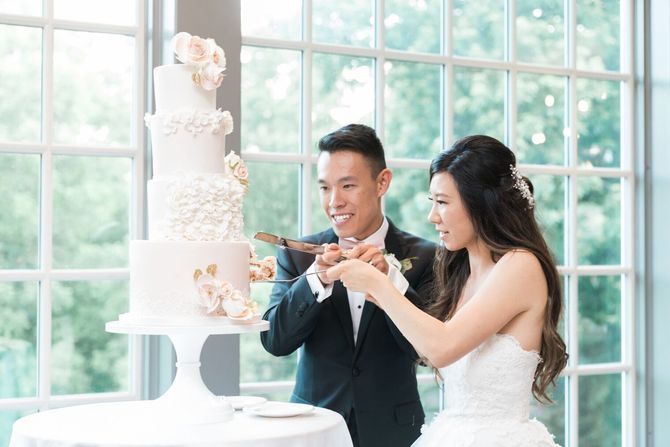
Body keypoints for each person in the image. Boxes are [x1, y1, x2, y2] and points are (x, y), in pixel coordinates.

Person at [328, 135, 568, 446]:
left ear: (481, 202)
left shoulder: (521, 265)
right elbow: (429, 345)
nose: (432, 217)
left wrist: (378, 286)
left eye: (442, 202)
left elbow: (443, 347)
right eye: (433, 203)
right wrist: (385, 282)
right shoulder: (462, 272)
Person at [260, 124, 437, 447]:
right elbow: (275, 341)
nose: (334, 202)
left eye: (348, 185)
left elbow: (427, 351)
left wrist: (389, 285)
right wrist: (317, 279)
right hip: (313, 430)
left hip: (394, 431)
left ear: (382, 182)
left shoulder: (426, 257)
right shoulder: (298, 256)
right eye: (324, 188)